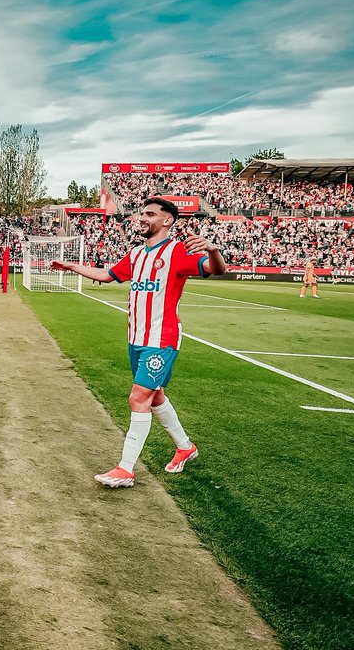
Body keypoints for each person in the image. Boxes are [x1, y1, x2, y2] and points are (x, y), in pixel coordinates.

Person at [50, 197, 227, 488]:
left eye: (149, 214)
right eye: (141, 214)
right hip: (136, 339)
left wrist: (213, 250)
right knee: (154, 396)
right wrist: (71, 267)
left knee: (138, 397)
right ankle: (185, 447)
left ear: (167, 220)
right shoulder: (135, 255)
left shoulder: (177, 252)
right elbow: (106, 276)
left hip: (162, 338)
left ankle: (126, 469)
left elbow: (216, 269)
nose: (141, 218)